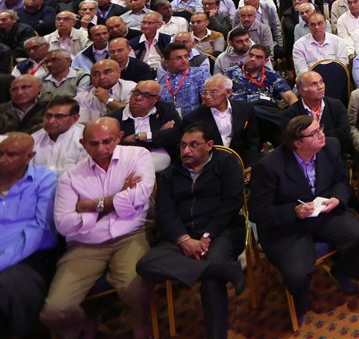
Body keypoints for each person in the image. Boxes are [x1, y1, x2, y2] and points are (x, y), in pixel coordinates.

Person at [41, 117, 156, 339]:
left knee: (135, 288)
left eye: (107, 141)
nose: (101, 148)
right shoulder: (70, 178)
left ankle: (140, 322)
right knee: (55, 311)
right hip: (85, 243)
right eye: (93, 143)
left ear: (119, 137)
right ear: (83, 144)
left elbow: (139, 197)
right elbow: (65, 224)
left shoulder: (137, 156)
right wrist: (116, 199)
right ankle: (84, 320)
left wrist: (87, 206)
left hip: (129, 234)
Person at [248, 115, 359, 322]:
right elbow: (258, 212)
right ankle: (299, 301)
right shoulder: (269, 167)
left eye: (321, 128)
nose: (322, 135)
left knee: (356, 234)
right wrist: (293, 211)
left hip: (324, 213)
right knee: (296, 273)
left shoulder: (331, 147)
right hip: (288, 226)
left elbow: (340, 181)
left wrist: (337, 199)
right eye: (314, 133)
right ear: (298, 143)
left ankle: (341, 270)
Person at [135, 124, 246, 339]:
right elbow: (166, 214)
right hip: (182, 235)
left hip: (222, 231)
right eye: (183, 145)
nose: (186, 151)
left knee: (211, 281)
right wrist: (184, 239)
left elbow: (231, 203)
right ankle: (223, 270)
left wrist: (207, 235)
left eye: (193, 145)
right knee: (146, 264)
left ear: (209, 145)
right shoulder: (170, 175)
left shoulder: (226, 163)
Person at [0, 132, 60, 338]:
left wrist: (2, 261)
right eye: (0, 153)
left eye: (11, 154)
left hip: (30, 255)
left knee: (7, 285)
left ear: (29, 157)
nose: (3, 159)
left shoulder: (45, 180)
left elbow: (40, 229)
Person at [185, 73, 262, 167]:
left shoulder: (245, 109)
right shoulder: (193, 118)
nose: (207, 97)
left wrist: (248, 166)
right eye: (205, 93)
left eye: (213, 92)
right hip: (208, 165)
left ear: (228, 92)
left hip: (241, 161)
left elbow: (252, 141)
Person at [114, 80, 182, 173]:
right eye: (136, 92)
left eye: (146, 95)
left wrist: (145, 136)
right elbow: (114, 145)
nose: (138, 98)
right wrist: (159, 136)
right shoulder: (115, 118)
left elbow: (178, 134)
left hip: (166, 168)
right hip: (127, 164)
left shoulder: (165, 110)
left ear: (156, 99)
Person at [284, 71, 353, 157]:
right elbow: (292, 142)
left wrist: (311, 138)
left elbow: (345, 134)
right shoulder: (291, 114)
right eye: (314, 84)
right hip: (304, 157)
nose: (320, 87)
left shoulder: (336, 105)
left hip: (334, 155)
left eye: (321, 82)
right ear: (302, 91)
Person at [31, 94, 87, 173]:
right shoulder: (34, 138)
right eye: (48, 116)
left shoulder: (85, 139)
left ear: (75, 118)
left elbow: (84, 174)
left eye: (59, 116)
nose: (51, 121)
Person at [75, 59, 134, 123]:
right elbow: (80, 122)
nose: (102, 77)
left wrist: (108, 100)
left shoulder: (131, 88)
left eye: (107, 72)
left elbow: (133, 113)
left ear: (119, 73)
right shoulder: (84, 96)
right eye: (96, 74)